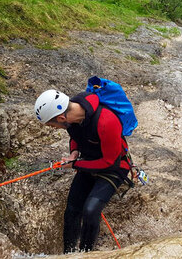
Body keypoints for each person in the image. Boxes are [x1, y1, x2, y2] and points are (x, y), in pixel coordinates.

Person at [34, 89, 132, 253]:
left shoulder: (107, 121)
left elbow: (110, 163)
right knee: (72, 210)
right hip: (89, 161)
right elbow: (75, 137)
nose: (55, 128)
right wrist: (74, 153)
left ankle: (86, 254)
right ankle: (68, 254)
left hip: (114, 167)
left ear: (61, 118)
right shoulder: (72, 115)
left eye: (53, 125)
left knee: (91, 210)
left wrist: (75, 166)